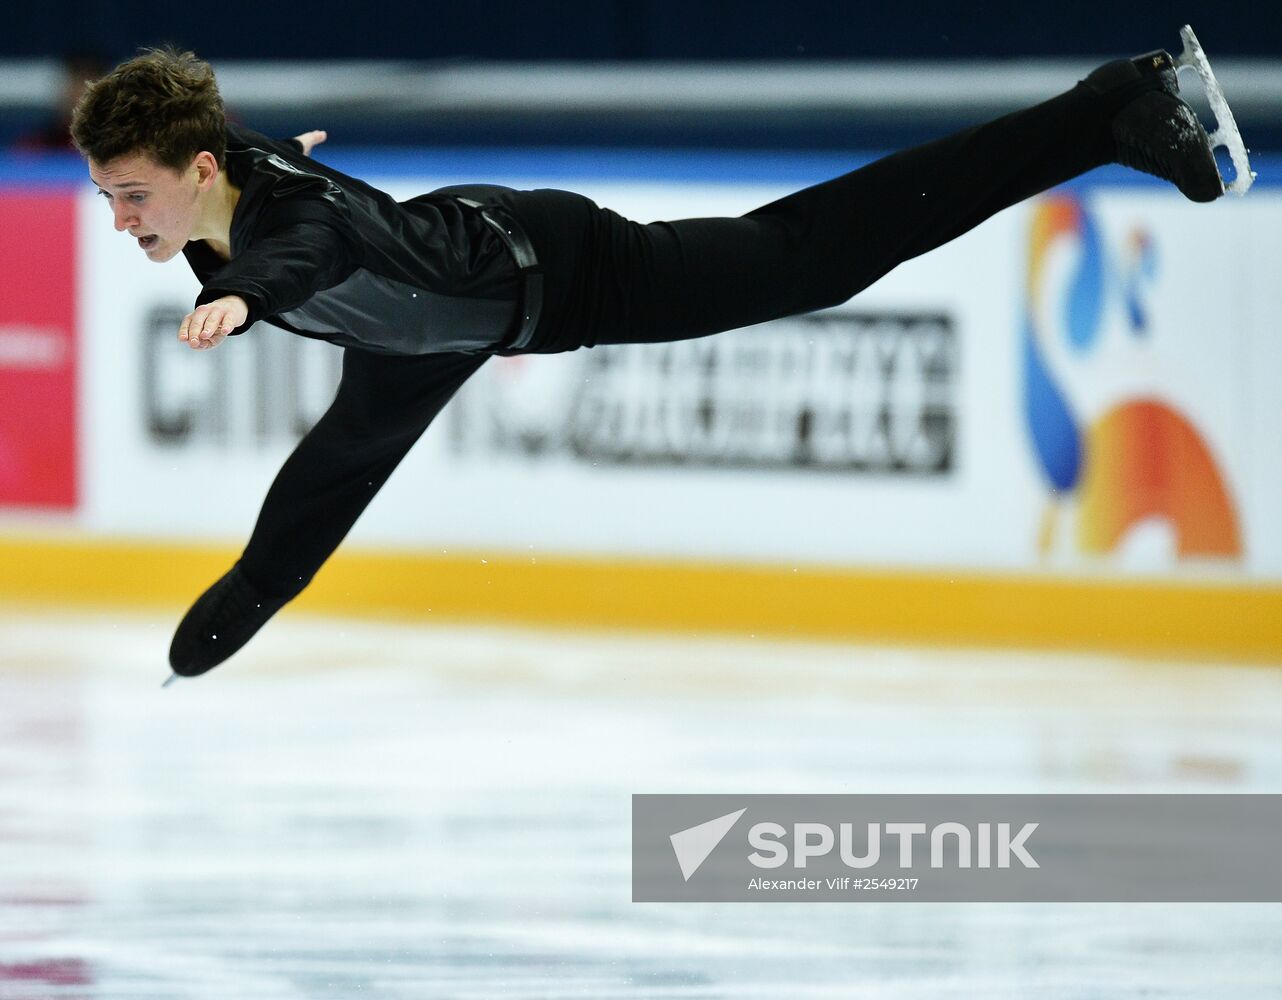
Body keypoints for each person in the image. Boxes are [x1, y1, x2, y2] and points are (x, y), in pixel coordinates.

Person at [69, 43, 1231, 680]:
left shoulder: (273, 231)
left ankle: (1105, 111)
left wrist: (239, 297)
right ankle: (249, 595)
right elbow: (265, 178)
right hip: (421, 323)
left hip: (543, 268)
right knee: (340, 461)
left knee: (810, 260)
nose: (120, 220)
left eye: (131, 195)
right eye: (108, 196)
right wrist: (265, 182)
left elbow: (303, 249)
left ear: (200, 169)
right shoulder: (218, 188)